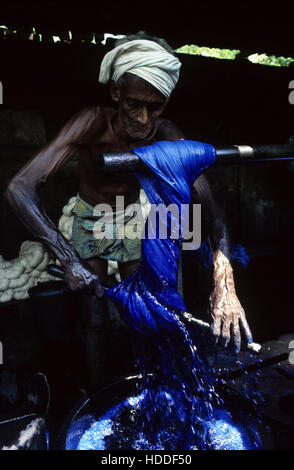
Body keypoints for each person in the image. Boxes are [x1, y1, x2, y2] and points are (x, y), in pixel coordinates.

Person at [5, 31, 252, 355]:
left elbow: (213, 210)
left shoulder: (167, 135)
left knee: (143, 311)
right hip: (91, 216)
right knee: (94, 319)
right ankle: (96, 391)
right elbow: (17, 188)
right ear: (116, 92)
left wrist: (224, 280)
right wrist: (68, 259)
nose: (144, 119)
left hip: (132, 215)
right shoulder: (92, 122)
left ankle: (142, 387)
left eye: (156, 106)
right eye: (135, 104)